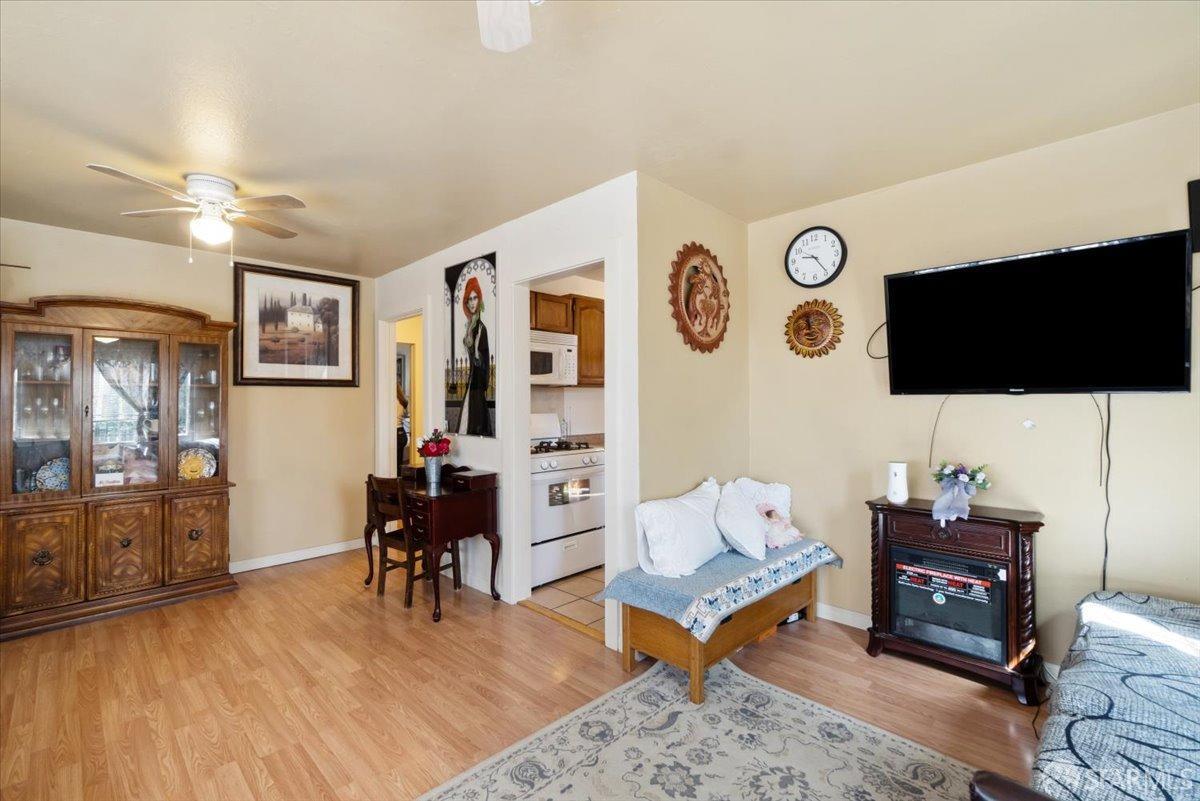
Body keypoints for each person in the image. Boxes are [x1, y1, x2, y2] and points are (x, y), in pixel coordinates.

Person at [456, 277, 493, 437]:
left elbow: (482, 361)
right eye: (469, 299)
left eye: (475, 298)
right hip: (473, 381)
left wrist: (477, 355)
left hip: (477, 383)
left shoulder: (480, 328)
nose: (472, 302)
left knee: (473, 425)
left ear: (479, 299)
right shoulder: (471, 327)